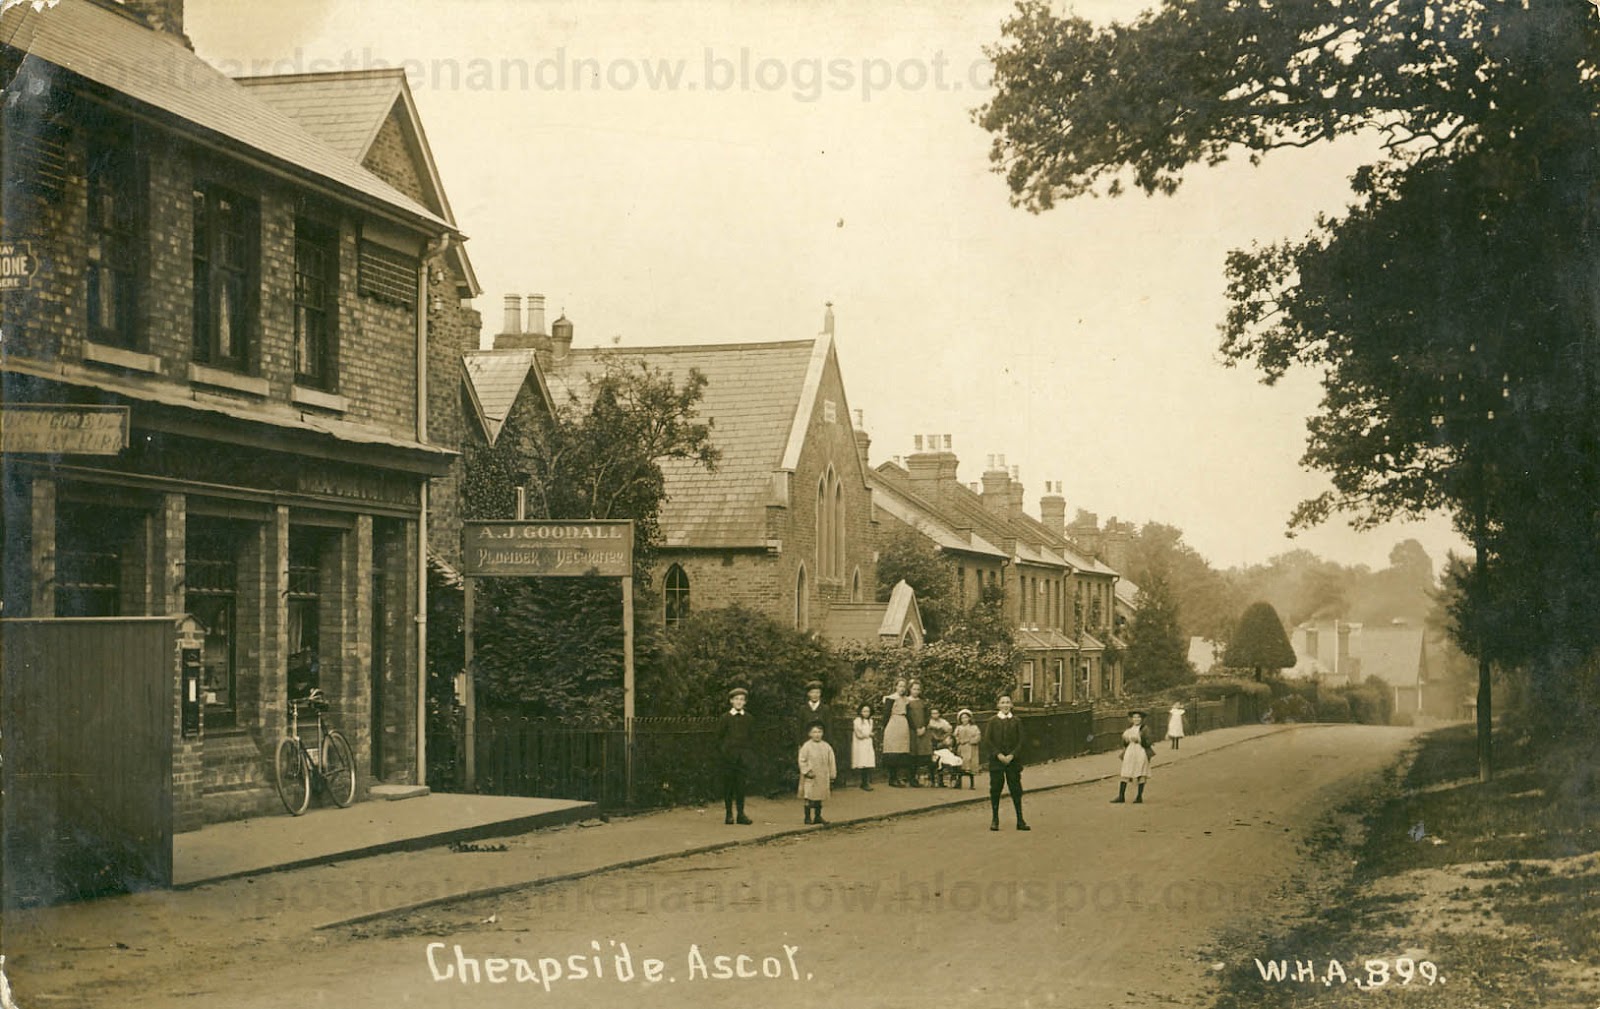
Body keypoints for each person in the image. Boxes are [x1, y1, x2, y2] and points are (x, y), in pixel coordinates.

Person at [982, 694, 1029, 830]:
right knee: (996, 789)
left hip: (1012, 761)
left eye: (1008, 702)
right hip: (997, 761)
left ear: (1012, 705)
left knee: (1016, 789)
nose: (1005, 705)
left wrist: (1012, 755)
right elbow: (988, 740)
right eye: (1003, 702)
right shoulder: (992, 721)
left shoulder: (1017, 721)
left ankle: (1020, 820)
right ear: (998, 705)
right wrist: (998, 754)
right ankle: (995, 820)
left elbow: (1021, 741)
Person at [716, 687, 756, 824]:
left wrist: (748, 754)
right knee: (728, 786)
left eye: (742, 699)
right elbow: (719, 737)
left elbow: (752, 738)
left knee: (741, 786)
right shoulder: (725, 718)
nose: (739, 702)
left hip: (743, 758)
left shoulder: (749, 718)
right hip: (728, 758)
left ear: (745, 702)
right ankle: (728, 814)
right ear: (731, 701)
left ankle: (741, 814)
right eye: (736, 699)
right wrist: (724, 752)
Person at [798, 721, 837, 824]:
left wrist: (832, 774)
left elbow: (831, 761)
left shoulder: (826, 746)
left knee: (819, 796)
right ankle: (807, 817)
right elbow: (802, 760)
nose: (817, 734)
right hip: (811, 776)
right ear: (809, 734)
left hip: (822, 775)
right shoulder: (806, 746)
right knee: (809, 796)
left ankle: (818, 816)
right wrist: (806, 771)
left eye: (819, 732)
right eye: (814, 732)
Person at [1112, 710, 1155, 804]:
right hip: (1130, 752)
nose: (1136, 719)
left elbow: (1149, 742)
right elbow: (1124, 743)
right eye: (1134, 717)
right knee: (1126, 771)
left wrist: (1139, 740)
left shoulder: (1145, 729)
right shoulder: (1129, 728)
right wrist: (1126, 739)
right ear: (1131, 719)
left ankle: (1139, 796)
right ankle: (1121, 796)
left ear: (1142, 719)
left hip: (1141, 751)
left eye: (1138, 717)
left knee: (1141, 772)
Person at [881, 678, 912, 786]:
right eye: (900, 686)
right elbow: (886, 714)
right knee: (892, 752)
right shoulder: (891, 698)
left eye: (904, 686)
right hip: (893, 723)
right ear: (896, 687)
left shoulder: (906, 700)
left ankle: (899, 777)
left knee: (902, 752)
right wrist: (884, 727)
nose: (902, 689)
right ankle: (892, 778)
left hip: (903, 724)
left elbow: (909, 714)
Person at [905, 679, 932, 787]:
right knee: (912, 754)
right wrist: (915, 728)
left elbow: (927, 716)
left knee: (921, 755)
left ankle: (919, 777)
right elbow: (908, 717)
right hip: (912, 731)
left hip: (922, 730)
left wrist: (924, 727)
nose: (916, 691)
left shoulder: (923, 702)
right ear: (910, 689)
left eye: (918, 689)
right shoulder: (907, 702)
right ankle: (911, 778)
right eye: (914, 689)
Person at [952, 709, 981, 790]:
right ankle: (959, 782)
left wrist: (971, 741)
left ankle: (972, 784)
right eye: (962, 718)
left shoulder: (974, 727)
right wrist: (958, 741)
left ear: (969, 718)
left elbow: (978, 737)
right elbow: (955, 737)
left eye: (966, 717)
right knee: (960, 765)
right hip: (961, 748)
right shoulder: (958, 728)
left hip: (971, 748)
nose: (964, 719)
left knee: (970, 766)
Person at [851, 703, 877, 790]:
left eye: (868, 711)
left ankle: (866, 782)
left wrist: (869, 735)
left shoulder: (871, 721)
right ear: (860, 712)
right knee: (862, 762)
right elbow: (859, 735)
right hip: (860, 744)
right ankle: (864, 782)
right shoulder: (857, 721)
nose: (866, 713)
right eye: (864, 711)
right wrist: (869, 734)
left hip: (868, 743)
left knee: (868, 762)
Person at [926, 707, 954, 786]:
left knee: (942, 760)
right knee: (932, 761)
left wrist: (942, 729)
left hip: (941, 743)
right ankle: (932, 780)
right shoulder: (929, 721)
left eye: (936, 713)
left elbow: (949, 729)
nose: (935, 715)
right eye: (933, 713)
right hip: (931, 743)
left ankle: (940, 781)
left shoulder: (943, 721)